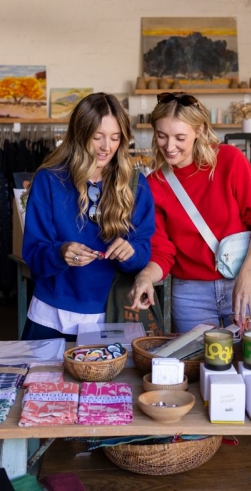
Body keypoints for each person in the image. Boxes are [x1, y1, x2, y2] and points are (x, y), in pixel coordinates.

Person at [128, 92, 251, 332]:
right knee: (196, 365)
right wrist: (145, 276)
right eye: (161, 136)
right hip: (190, 294)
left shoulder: (229, 160)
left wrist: (248, 274)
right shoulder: (155, 185)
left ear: (198, 131)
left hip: (242, 280)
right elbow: (163, 252)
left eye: (179, 137)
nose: (169, 146)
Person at [21, 92, 155, 341]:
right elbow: (33, 254)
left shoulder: (136, 185)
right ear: (79, 135)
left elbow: (144, 251)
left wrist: (131, 253)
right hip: (51, 316)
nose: (107, 147)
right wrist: (61, 252)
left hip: (111, 315)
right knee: (41, 380)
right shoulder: (49, 180)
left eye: (115, 138)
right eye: (97, 137)